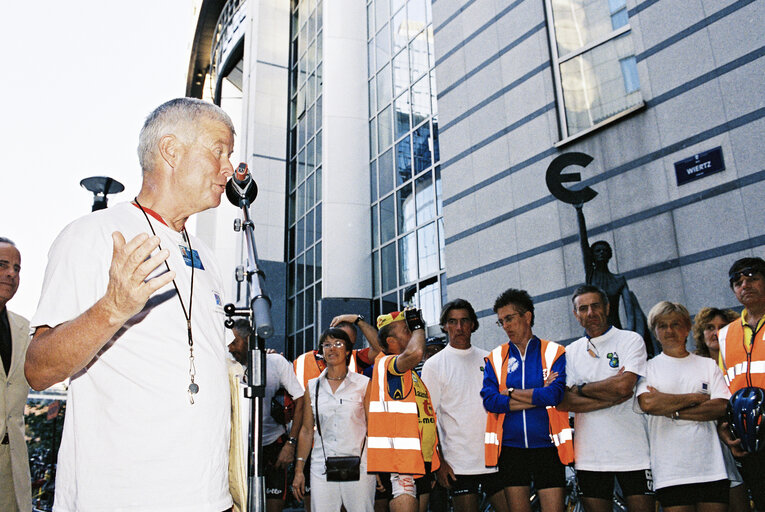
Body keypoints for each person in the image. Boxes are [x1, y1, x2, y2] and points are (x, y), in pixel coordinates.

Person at [25, 98, 237, 511]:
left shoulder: (208, 257)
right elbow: (38, 369)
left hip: (207, 500)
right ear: (171, 150)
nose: (229, 167)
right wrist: (112, 309)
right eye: (219, 150)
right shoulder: (92, 235)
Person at [558, 284, 654, 512]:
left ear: (607, 307)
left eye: (595, 306)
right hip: (591, 457)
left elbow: (623, 386)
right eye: (583, 309)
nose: (590, 313)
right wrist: (609, 397)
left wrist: (580, 389)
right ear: (576, 314)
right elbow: (563, 401)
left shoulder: (630, 340)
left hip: (634, 453)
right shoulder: (570, 352)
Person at [481, 289, 569, 512]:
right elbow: (490, 401)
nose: (506, 326)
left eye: (509, 318)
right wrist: (537, 394)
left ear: (527, 317)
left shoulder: (554, 352)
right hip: (511, 450)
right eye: (501, 322)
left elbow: (554, 395)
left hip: (548, 448)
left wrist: (508, 392)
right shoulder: (495, 357)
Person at [637, 301, 730, 512]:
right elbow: (649, 402)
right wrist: (695, 397)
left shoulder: (707, 365)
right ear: (655, 332)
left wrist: (673, 410)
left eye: (676, 324)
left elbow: (720, 407)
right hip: (671, 472)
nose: (669, 330)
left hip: (711, 468)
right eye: (662, 325)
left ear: (687, 328)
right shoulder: (648, 368)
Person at [421, 299, 509, 512]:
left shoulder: (490, 359)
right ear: (445, 326)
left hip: (495, 458)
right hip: (457, 464)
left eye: (464, 321)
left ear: (472, 324)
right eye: (452, 322)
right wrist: (439, 463)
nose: (459, 328)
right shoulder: (433, 365)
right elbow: (427, 418)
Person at [292, 328, 375, 512]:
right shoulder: (312, 387)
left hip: (360, 466)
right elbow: (306, 430)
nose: (332, 349)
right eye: (327, 345)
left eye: (338, 344)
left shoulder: (363, 384)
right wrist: (299, 470)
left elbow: (373, 428)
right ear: (321, 351)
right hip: (322, 467)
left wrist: (377, 467)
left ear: (347, 351)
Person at [365, 309, 440, 512]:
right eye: (406, 330)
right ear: (391, 342)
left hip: (419, 460)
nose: (412, 333)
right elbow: (416, 352)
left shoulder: (412, 375)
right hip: (399, 461)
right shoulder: (387, 363)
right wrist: (418, 326)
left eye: (411, 329)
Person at [228, 320, 305, 512]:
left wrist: (291, 443)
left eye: (234, 342)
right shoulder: (226, 365)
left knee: (274, 504)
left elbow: (301, 399)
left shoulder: (276, 362)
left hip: (274, 446)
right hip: (239, 446)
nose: (230, 348)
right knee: (239, 504)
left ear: (248, 340)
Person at [717, 257, 765, 511]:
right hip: (750, 441)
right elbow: (725, 387)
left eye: (752, 278)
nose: (744, 285)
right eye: (737, 282)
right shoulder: (726, 334)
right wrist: (724, 428)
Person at [692, 307, 750, 512]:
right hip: (709, 445)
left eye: (722, 327)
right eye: (709, 327)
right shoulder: (694, 364)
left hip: (744, 439)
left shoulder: (742, 361)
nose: (715, 332)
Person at [0, 237, 31, 512]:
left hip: (12, 469)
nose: (11, 273)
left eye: (17, 268)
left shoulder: (24, 329)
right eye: (2, 265)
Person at [294, 314, 380, 391]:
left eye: (346, 343)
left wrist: (358, 320)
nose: (335, 348)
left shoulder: (356, 358)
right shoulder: (302, 361)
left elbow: (379, 349)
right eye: (337, 341)